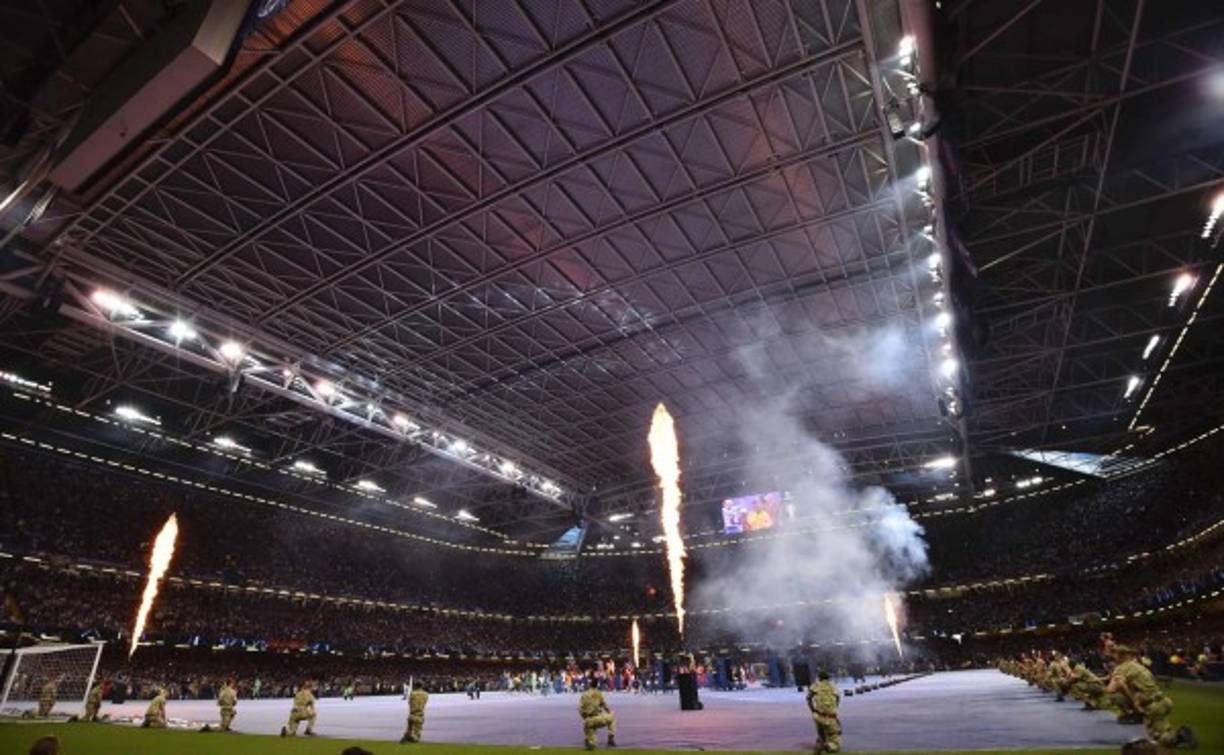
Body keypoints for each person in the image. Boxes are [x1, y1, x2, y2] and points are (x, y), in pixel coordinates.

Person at [1107, 645, 1196, 749]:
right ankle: (1179, 736)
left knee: (1159, 738)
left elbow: (1112, 689)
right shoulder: (1137, 665)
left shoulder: (1121, 668)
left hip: (1152, 706)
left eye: (1115, 654)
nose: (1113, 656)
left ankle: (1179, 736)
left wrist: (1133, 701)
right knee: (1163, 728)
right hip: (1164, 701)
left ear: (1119, 655)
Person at [807, 670, 841, 753]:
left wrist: (813, 710)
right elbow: (837, 699)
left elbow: (808, 698)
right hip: (830, 716)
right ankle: (827, 746)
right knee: (835, 741)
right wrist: (834, 708)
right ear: (829, 678)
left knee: (821, 732)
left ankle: (821, 742)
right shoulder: (833, 686)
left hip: (818, 715)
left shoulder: (815, 686)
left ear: (819, 678)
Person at [578, 685, 617, 750]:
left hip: (589, 720)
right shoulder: (598, 693)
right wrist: (610, 712)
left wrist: (585, 718)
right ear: (597, 686)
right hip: (599, 718)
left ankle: (590, 740)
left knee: (589, 728)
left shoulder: (584, 695)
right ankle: (610, 739)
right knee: (612, 718)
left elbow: (579, 708)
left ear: (589, 685)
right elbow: (604, 705)